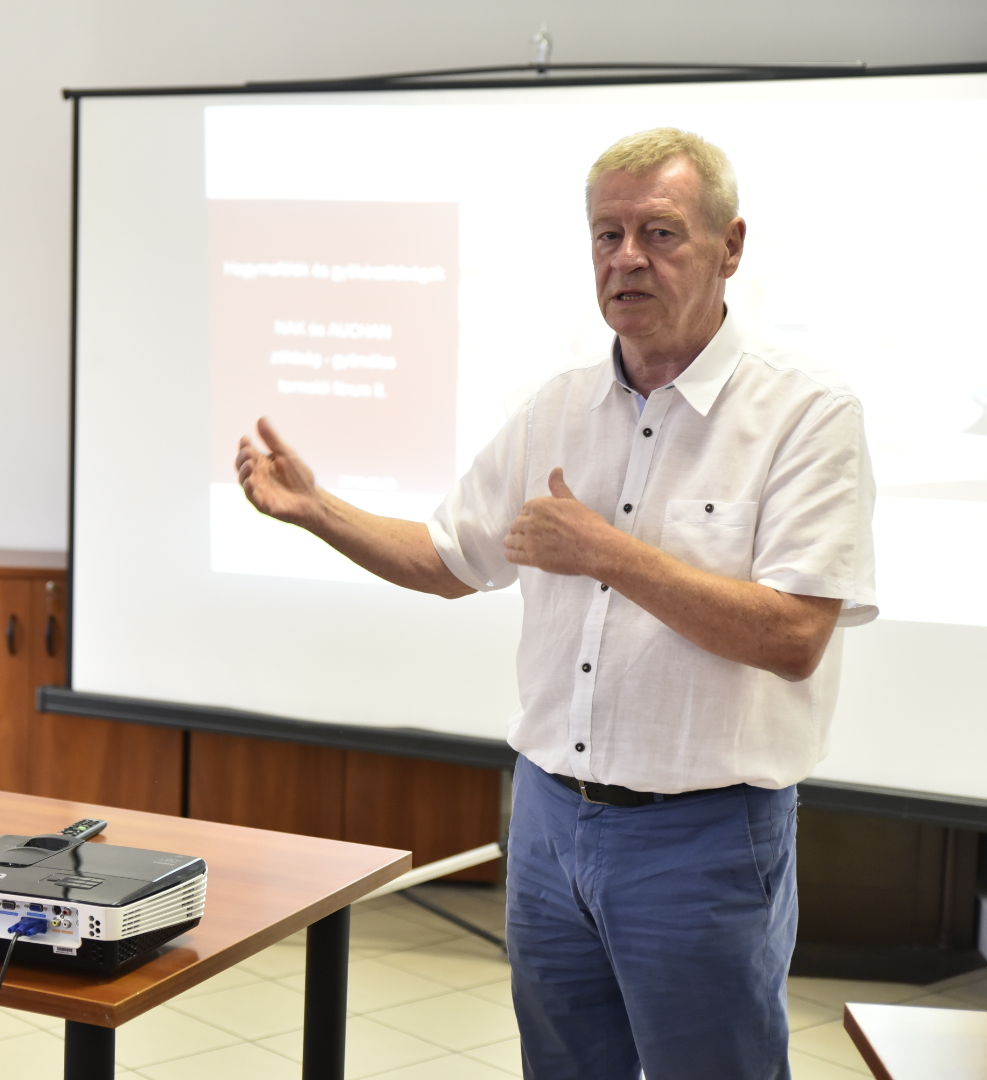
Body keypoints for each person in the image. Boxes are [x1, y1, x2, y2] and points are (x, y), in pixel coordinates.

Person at [234, 128, 876, 1079]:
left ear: (730, 247)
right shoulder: (556, 408)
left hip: (703, 836)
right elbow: (450, 559)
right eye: (606, 234)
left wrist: (608, 554)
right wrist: (312, 509)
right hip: (547, 824)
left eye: (660, 232)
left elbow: (792, 635)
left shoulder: (805, 414)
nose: (627, 258)